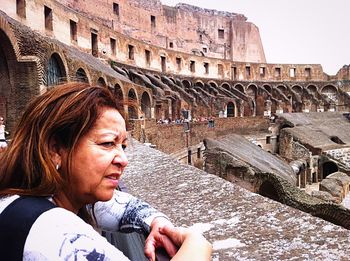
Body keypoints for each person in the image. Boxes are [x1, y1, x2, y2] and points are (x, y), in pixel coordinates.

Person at [0, 82, 212, 260]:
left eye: (123, 146)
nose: (123, 159)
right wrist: (198, 243)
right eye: (108, 143)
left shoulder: (35, 196)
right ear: (55, 149)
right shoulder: (50, 229)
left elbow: (123, 206)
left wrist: (158, 223)